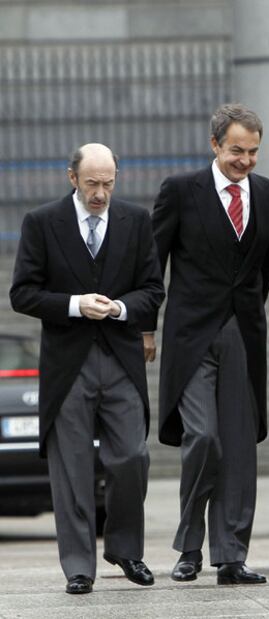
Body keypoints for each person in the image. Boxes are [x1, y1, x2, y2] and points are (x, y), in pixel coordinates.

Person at [9, 143, 165, 594]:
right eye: (92, 183)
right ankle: (79, 566)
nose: (101, 193)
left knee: (132, 457)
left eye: (109, 183)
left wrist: (119, 308)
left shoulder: (136, 221)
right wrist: (76, 305)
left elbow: (153, 290)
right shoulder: (42, 222)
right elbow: (23, 293)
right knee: (71, 469)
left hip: (121, 358)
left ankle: (124, 548)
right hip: (68, 365)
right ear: (72, 177)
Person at [144, 103, 269, 584]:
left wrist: (247, 314)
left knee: (240, 448)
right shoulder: (180, 191)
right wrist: (146, 326)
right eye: (236, 150)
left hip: (242, 332)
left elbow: (263, 268)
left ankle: (232, 554)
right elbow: (152, 265)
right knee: (202, 437)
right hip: (190, 335)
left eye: (253, 152)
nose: (245, 160)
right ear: (214, 145)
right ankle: (189, 546)